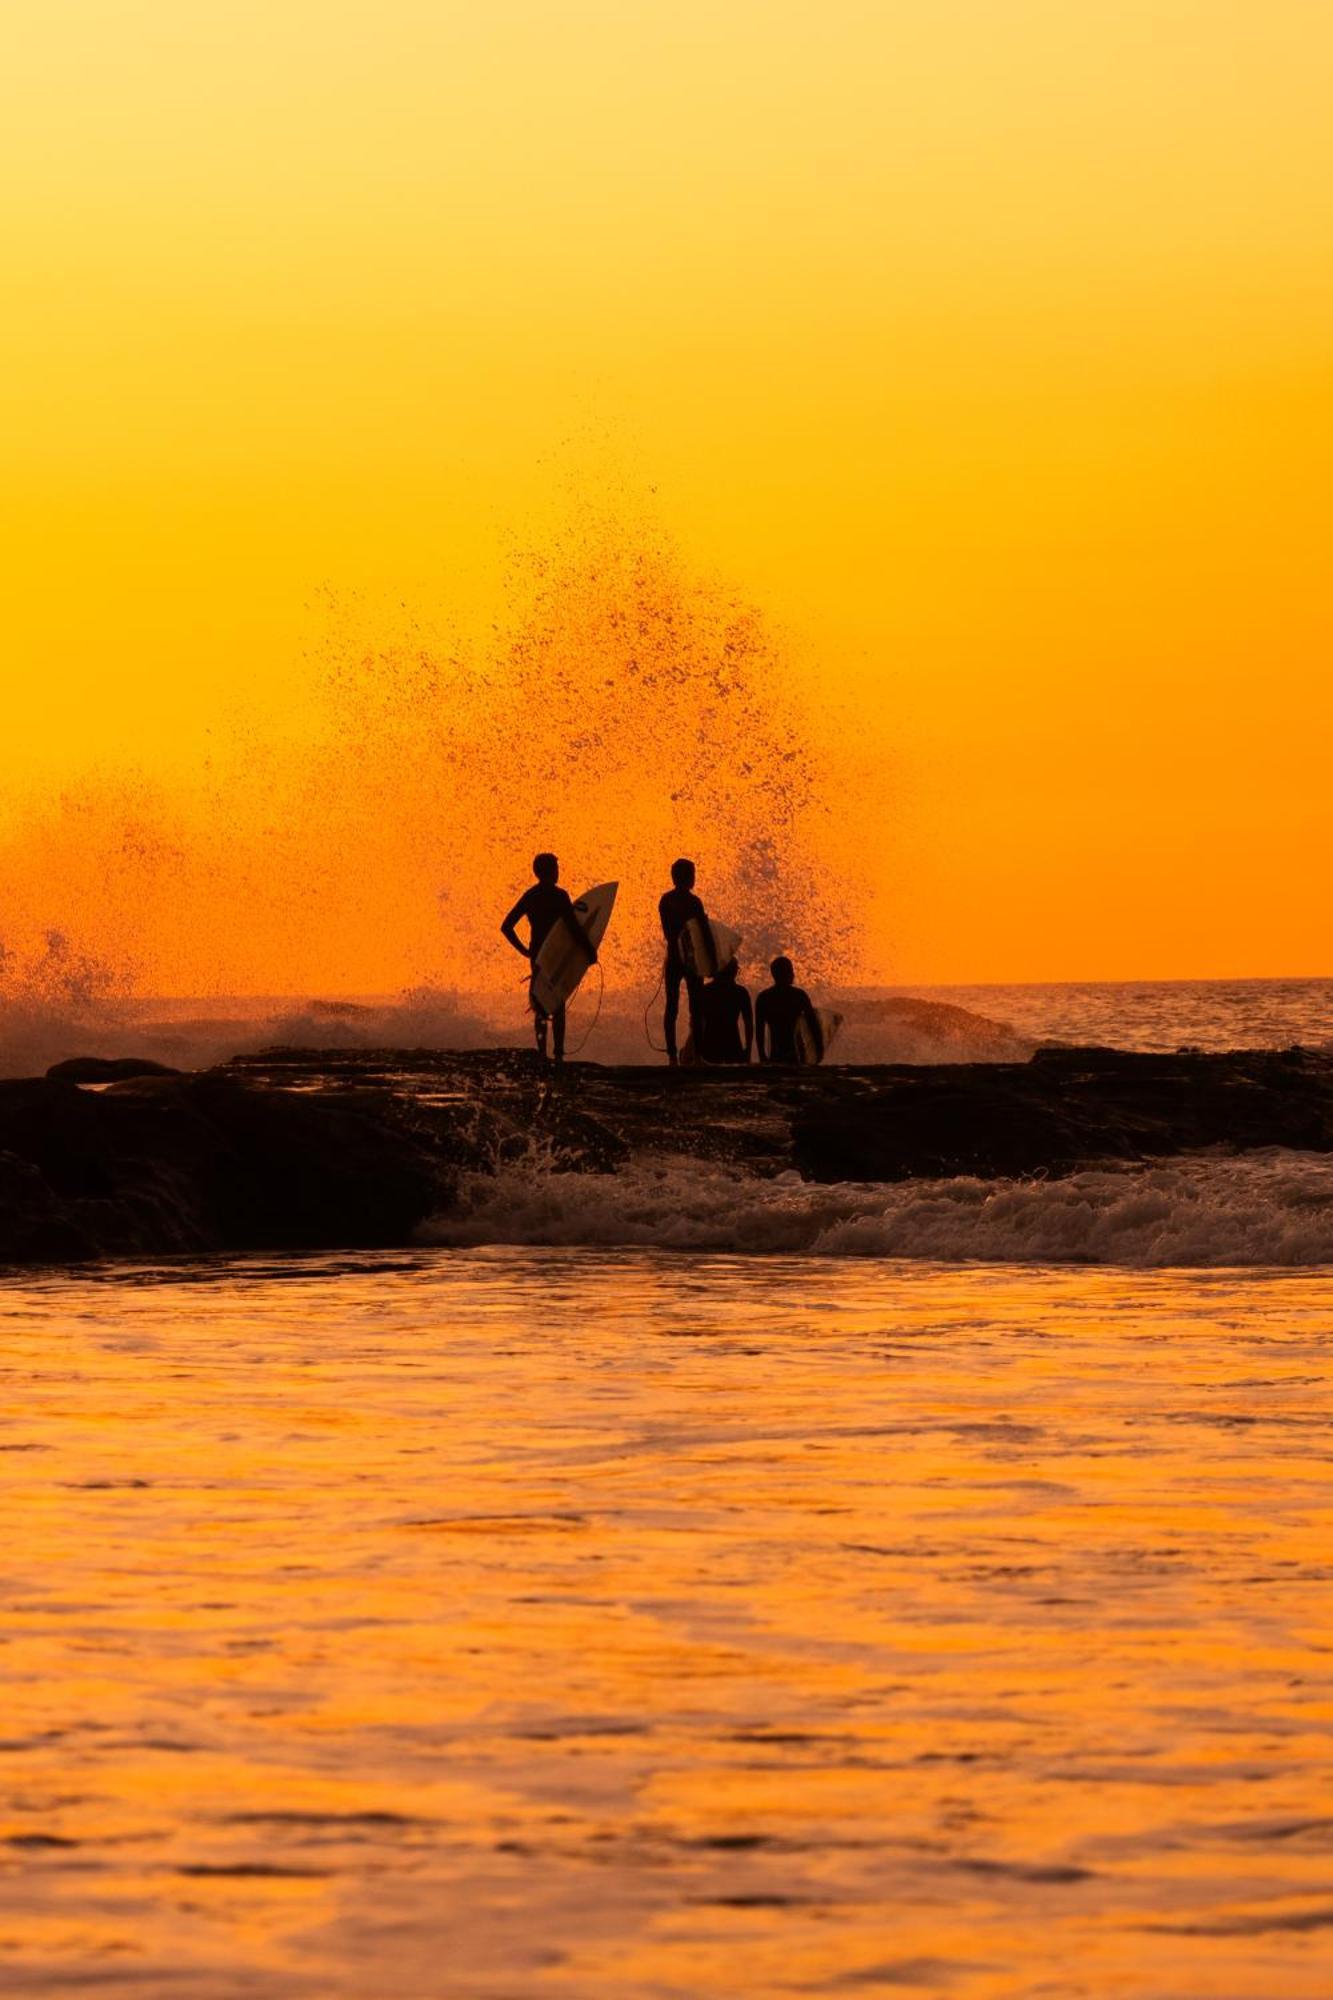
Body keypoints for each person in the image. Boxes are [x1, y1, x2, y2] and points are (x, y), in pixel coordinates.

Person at [500, 853, 595, 1064]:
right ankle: (559, 1054)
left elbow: (506, 927)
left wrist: (524, 950)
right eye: (555, 868)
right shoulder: (559, 895)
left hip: (537, 956)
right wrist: (588, 950)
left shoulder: (530, 895)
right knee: (558, 1002)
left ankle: (542, 1054)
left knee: (540, 1004)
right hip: (557, 955)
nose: (558, 872)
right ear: (550, 871)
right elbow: (573, 927)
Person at [658, 857, 706, 1067]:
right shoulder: (694, 902)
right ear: (685, 878)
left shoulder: (665, 900)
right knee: (695, 1007)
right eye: (692, 874)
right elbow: (702, 933)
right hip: (690, 960)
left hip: (675, 959)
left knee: (673, 1006)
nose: (694, 878)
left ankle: (672, 1057)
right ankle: (696, 1057)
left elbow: (669, 933)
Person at [755, 954, 822, 1065]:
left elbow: (759, 1030)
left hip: (775, 1052)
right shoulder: (799, 996)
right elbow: (813, 1024)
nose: (793, 974)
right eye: (791, 970)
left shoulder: (764, 998)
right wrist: (819, 1049)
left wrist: (762, 1055)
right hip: (796, 1053)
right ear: (787, 973)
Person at [696, 959, 753, 1064]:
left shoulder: (705, 991)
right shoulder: (740, 992)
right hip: (732, 1044)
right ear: (734, 972)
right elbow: (748, 1024)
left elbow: (698, 1022)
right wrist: (748, 1050)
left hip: (709, 1045)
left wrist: (696, 1051)